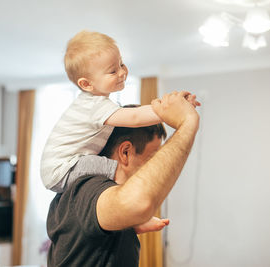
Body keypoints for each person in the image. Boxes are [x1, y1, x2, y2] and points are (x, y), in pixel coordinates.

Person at [46, 91, 200, 266]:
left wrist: (128, 227)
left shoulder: (98, 195)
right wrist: (187, 124)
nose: (155, 166)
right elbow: (138, 203)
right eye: (152, 158)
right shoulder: (86, 189)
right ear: (125, 152)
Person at [40, 30, 199, 194]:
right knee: (119, 172)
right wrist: (169, 109)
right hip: (62, 169)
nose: (122, 72)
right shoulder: (94, 105)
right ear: (87, 84)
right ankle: (129, 211)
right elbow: (135, 117)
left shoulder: (92, 103)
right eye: (113, 71)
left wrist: (171, 106)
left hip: (61, 168)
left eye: (121, 64)